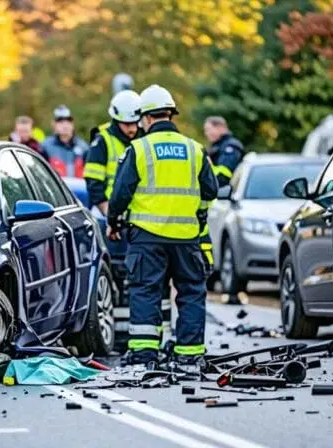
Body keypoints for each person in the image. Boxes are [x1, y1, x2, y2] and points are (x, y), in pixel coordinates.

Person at [107, 85, 218, 371]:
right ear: (171, 114)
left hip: (147, 238)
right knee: (191, 292)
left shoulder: (139, 149)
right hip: (186, 238)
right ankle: (189, 353)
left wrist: (114, 221)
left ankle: (145, 354)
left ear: (145, 118)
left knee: (146, 292)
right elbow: (210, 190)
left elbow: (120, 193)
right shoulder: (195, 149)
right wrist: (199, 218)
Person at [203, 116, 246, 304]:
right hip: (221, 200)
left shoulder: (230, 148)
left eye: (209, 130)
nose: (207, 134)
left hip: (228, 199)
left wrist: (208, 174)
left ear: (220, 127)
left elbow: (224, 175)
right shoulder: (218, 147)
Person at [85, 90, 142, 215]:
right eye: (127, 124)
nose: (132, 128)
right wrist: (107, 211)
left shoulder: (144, 138)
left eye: (135, 123)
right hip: (107, 209)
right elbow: (93, 181)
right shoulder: (102, 141)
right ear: (116, 120)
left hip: (138, 211)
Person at [40, 105, 88, 178]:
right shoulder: (45, 147)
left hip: (80, 189)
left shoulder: (83, 147)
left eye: (68, 121)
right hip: (55, 189)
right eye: (61, 122)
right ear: (54, 125)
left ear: (72, 124)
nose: (65, 125)